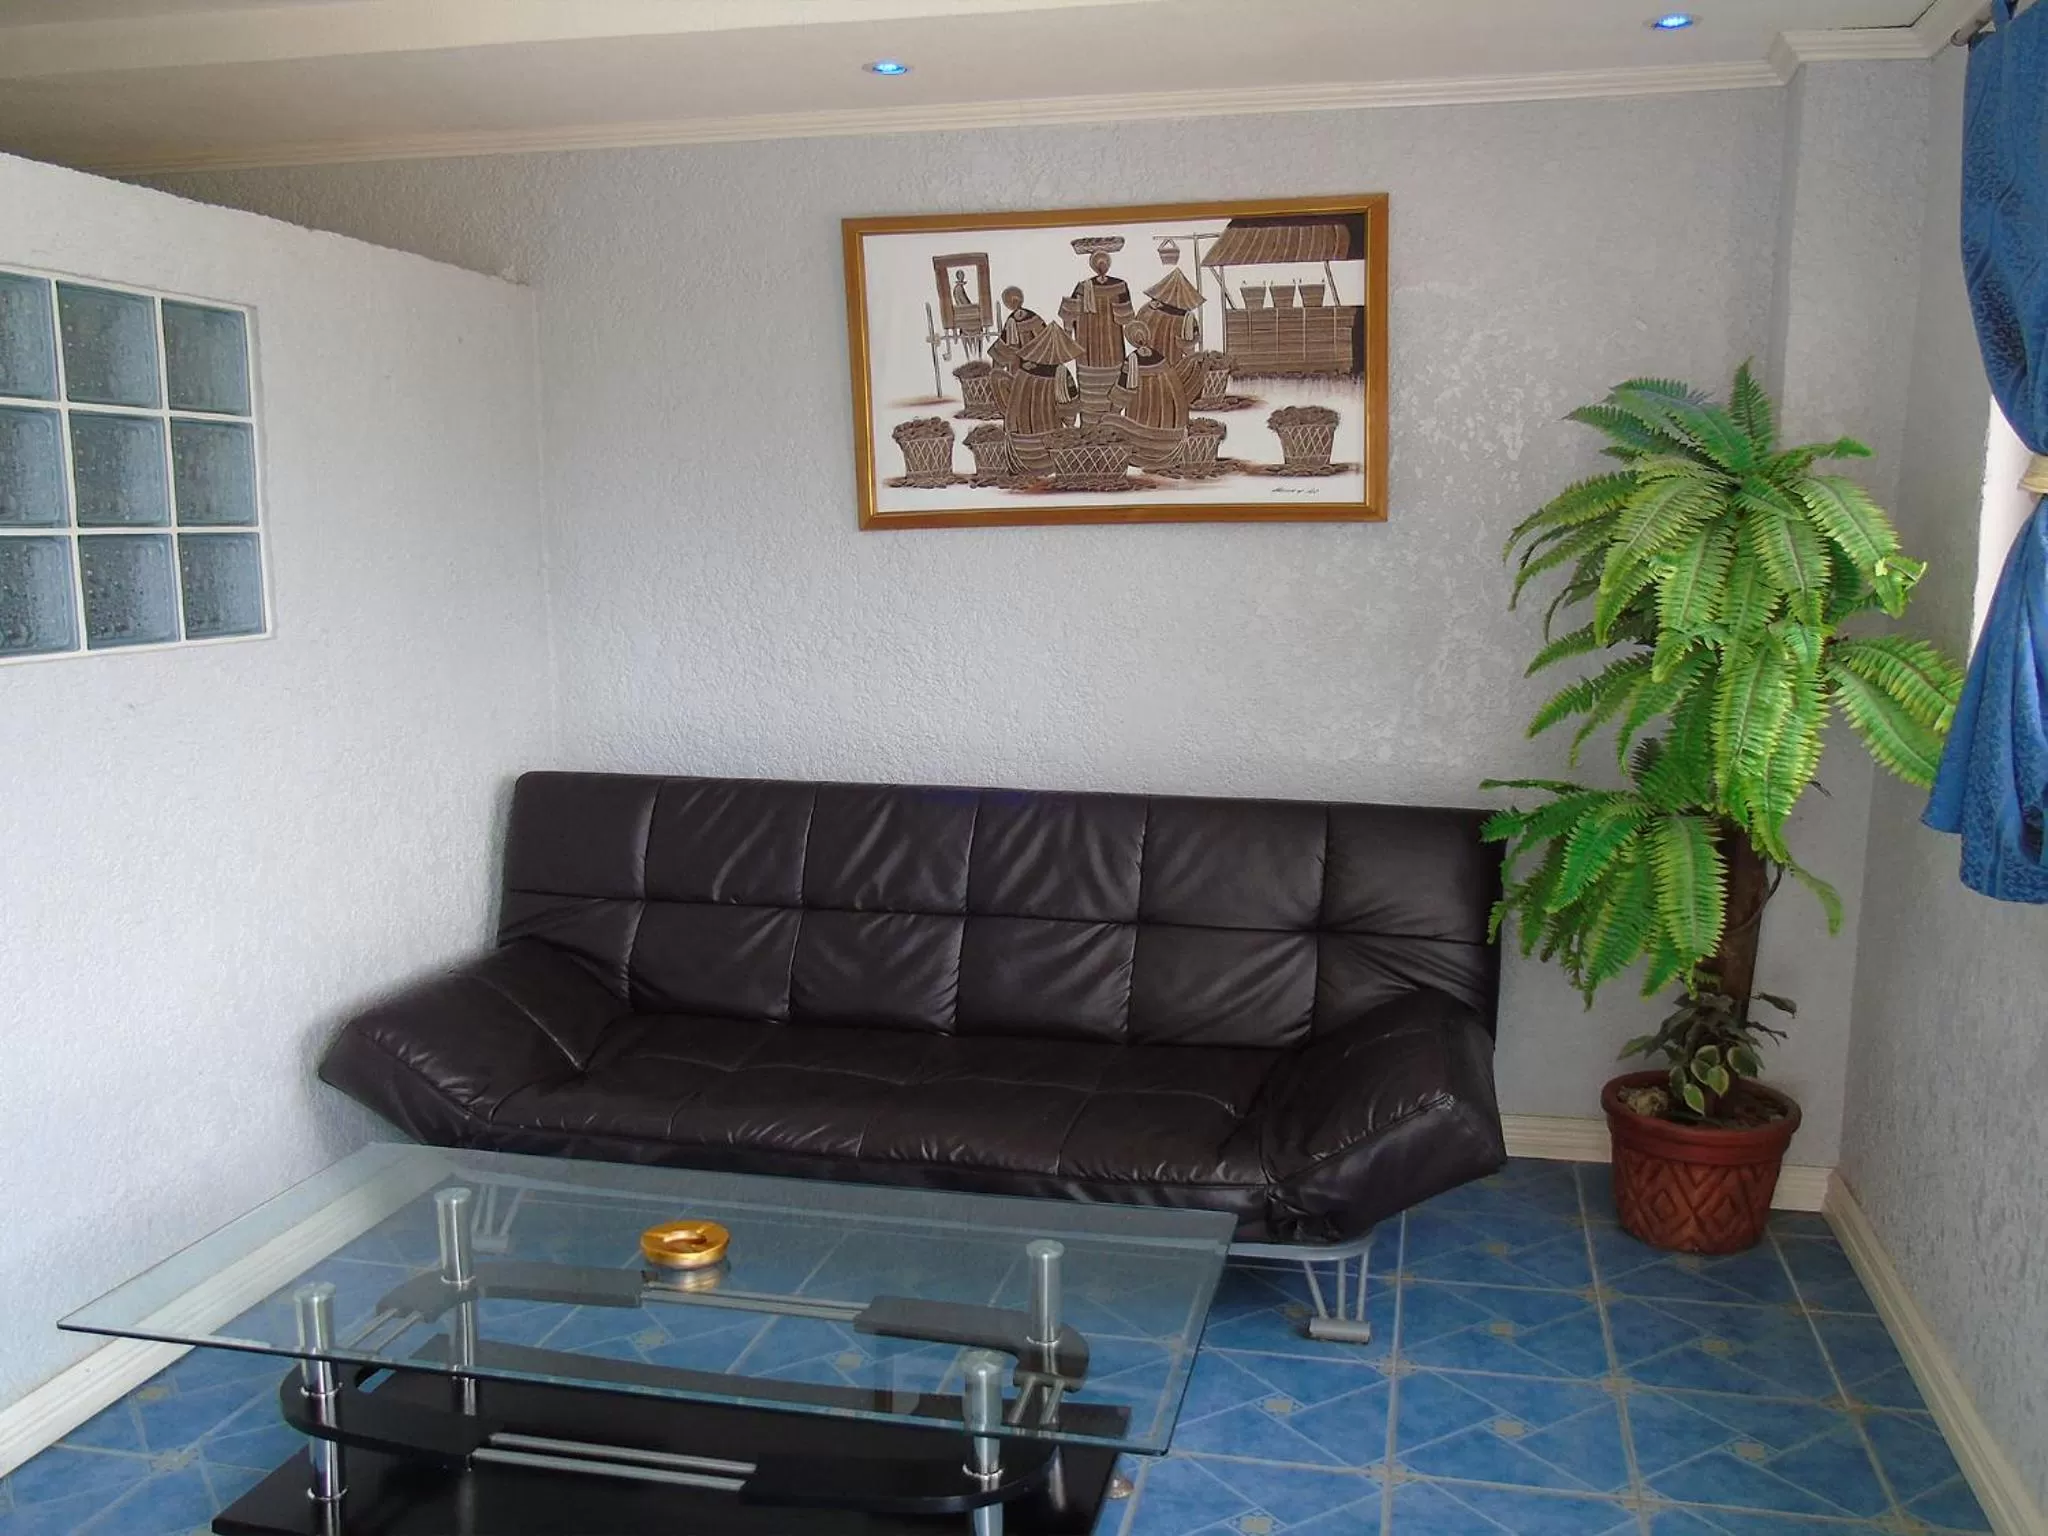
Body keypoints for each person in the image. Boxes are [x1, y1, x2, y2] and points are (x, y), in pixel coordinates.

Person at [1109, 316, 1202, 471]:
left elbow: (1123, 392)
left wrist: (1112, 415)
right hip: (1174, 433)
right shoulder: (1161, 359)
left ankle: (1148, 453)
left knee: (1110, 421)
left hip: (1145, 435)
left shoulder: (1133, 361)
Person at [1058, 246, 1133, 425]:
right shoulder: (1091, 287)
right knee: (1092, 395)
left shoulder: (1087, 287)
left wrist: (1068, 333)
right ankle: (1094, 429)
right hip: (1095, 352)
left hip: (1105, 352)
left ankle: (1108, 427)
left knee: (1110, 392)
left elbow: (1127, 319)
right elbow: (1127, 319)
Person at [996, 319, 1084, 474]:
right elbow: (1069, 413)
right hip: (1047, 452)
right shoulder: (1061, 373)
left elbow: (1011, 406)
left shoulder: (1022, 371)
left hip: (1018, 450)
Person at [1137, 268, 1204, 363]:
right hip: (1172, 364)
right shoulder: (1186, 318)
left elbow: (1136, 333)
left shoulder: (1146, 309)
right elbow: (1188, 346)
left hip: (1147, 362)